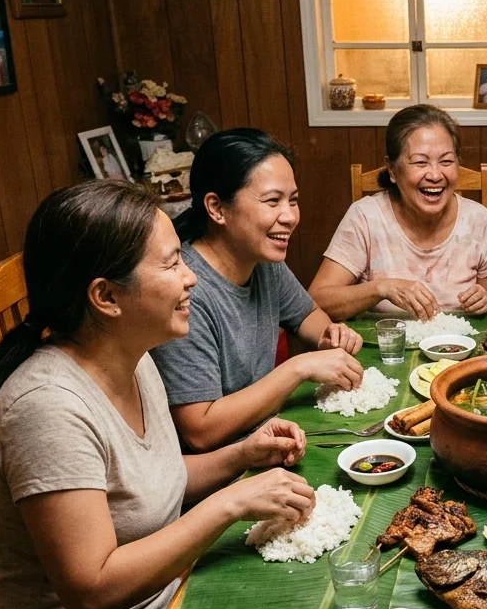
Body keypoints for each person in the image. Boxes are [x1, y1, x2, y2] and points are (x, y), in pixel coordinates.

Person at [0, 180, 317, 609]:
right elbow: (92, 590)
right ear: (106, 296)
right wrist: (230, 505)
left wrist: (242, 456)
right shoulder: (48, 407)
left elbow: (148, 480)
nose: (191, 279)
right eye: (173, 262)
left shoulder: (131, 357)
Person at [151, 128, 362, 452]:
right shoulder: (185, 289)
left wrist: (331, 338)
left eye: (293, 200)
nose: (290, 216)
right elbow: (200, 430)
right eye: (272, 201)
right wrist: (299, 367)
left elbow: (310, 316)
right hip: (220, 476)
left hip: (269, 439)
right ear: (216, 208)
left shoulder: (262, 261)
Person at [309, 105, 487, 320]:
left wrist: (485, 301)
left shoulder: (477, 218)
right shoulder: (365, 217)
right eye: (420, 162)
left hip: (462, 348)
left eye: (446, 161)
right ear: (392, 169)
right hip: (387, 349)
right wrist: (382, 288)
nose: (435, 175)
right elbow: (318, 301)